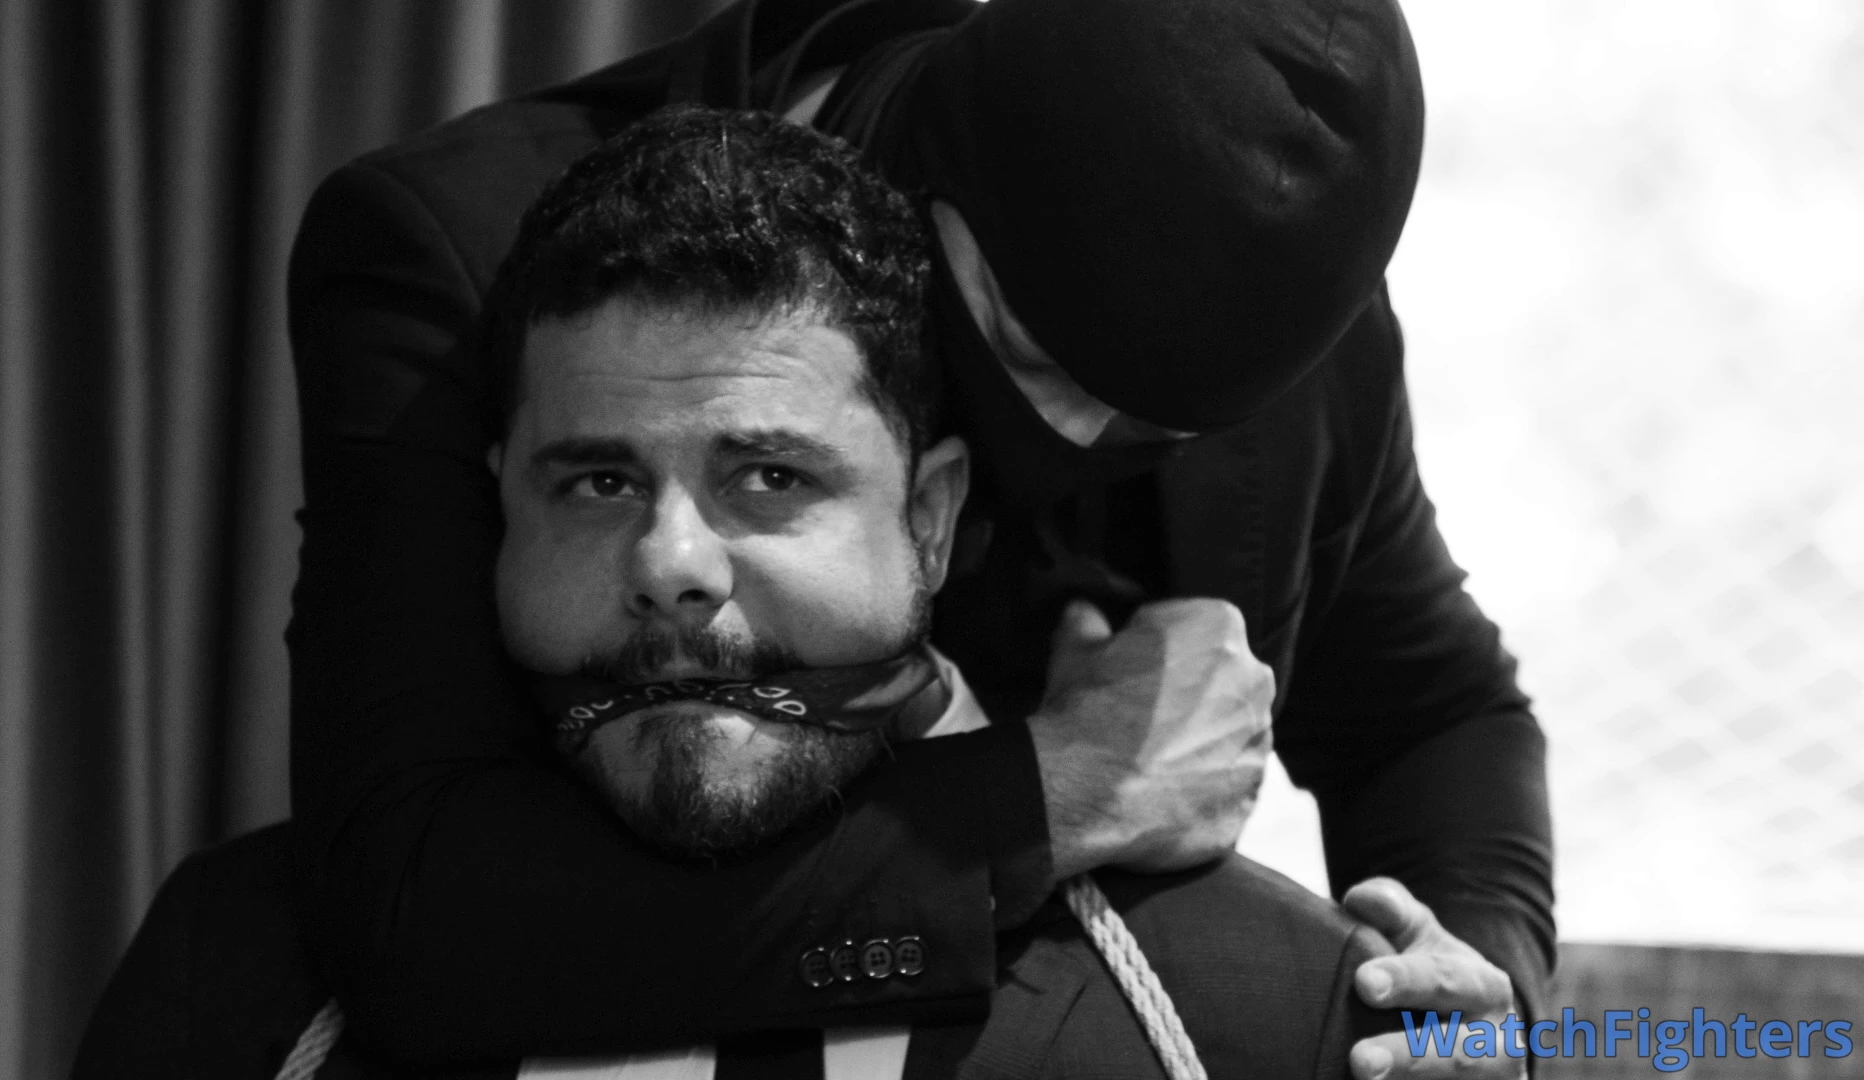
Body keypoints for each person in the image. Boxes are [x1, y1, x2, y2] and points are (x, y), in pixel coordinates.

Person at [285, 0, 1551, 1076]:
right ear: (927, 161)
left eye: (1145, 427)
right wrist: (1052, 794)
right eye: (1028, 357)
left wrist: (1470, 995)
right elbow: (412, 902)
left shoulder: (1273, 332)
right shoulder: (466, 251)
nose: (1071, 438)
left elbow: (1431, 711)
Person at [77, 108, 1397, 1080]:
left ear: (931, 518)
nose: (670, 564)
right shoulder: (227, 977)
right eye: (597, 482)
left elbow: (1437, 708)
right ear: (494, 509)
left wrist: (1481, 994)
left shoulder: (1280, 1010)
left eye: (769, 478)